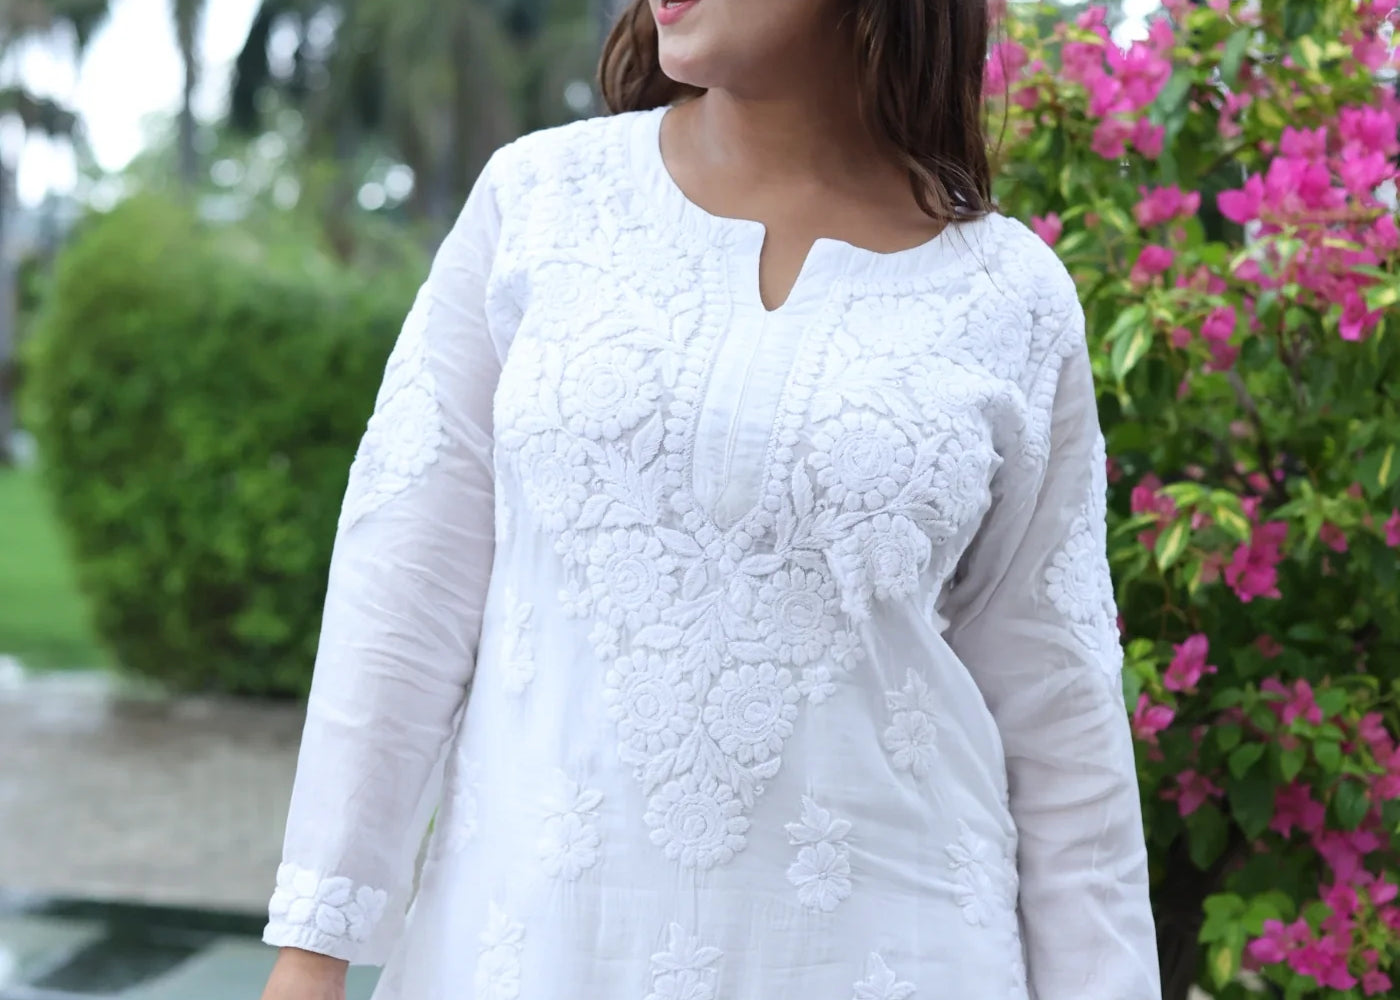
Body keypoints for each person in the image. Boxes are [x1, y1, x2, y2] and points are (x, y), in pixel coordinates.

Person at [258, 0, 1162, 997]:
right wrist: (313, 950)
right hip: (530, 954)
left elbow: (1060, 718)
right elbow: (402, 591)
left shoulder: (1010, 298)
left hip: (893, 957)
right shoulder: (541, 204)